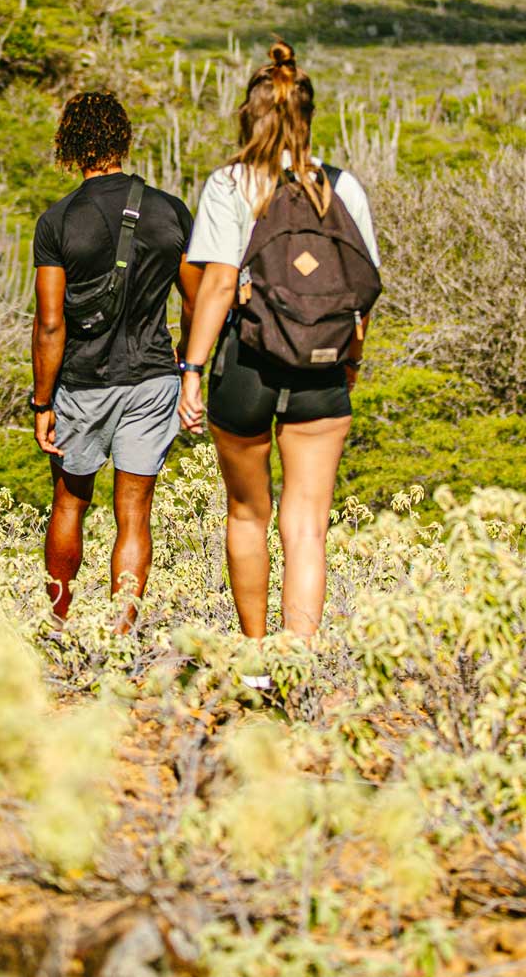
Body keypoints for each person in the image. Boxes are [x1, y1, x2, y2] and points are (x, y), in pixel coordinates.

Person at [177, 41, 380, 642]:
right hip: (322, 367)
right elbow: (359, 293)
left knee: (247, 514)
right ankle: (301, 661)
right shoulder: (344, 188)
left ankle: (257, 657)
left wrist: (192, 369)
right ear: (309, 118)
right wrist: (351, 365)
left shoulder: (230, 184)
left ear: (250, 115)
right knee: (307, 527)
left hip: (246, 365)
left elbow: (215, 284)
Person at [31, 91, 199, 627]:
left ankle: (59, 624)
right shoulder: (171, 211)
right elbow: (195, 299)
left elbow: (50, 323)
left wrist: (41, 400)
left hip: (81, 383)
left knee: (70, 504)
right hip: (153, 379)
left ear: (70, 147)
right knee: (134, 514)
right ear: (124, 140)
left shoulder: (58, 222)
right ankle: (121, 634)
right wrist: (185, 359)